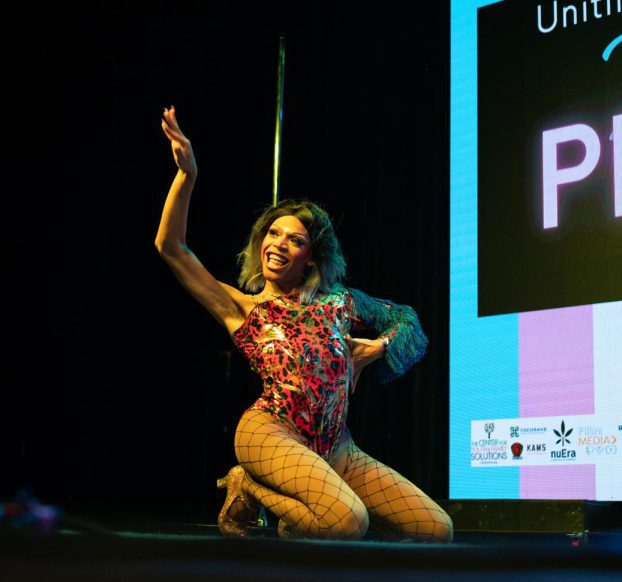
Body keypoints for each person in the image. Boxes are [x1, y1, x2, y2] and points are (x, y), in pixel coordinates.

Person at [155, 105, 453, 542]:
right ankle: (249, 481)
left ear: (310, 257)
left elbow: (406, 318)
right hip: (270, 432)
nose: (279, 244)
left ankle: (298, 514)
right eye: (272, 234)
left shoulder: (339, 303)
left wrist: (379, 347)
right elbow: (172, 247)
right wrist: (187, 175)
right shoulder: (244, 307)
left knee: (437, 530)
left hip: (337, 447)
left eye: (294, 240)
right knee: (350, 522)